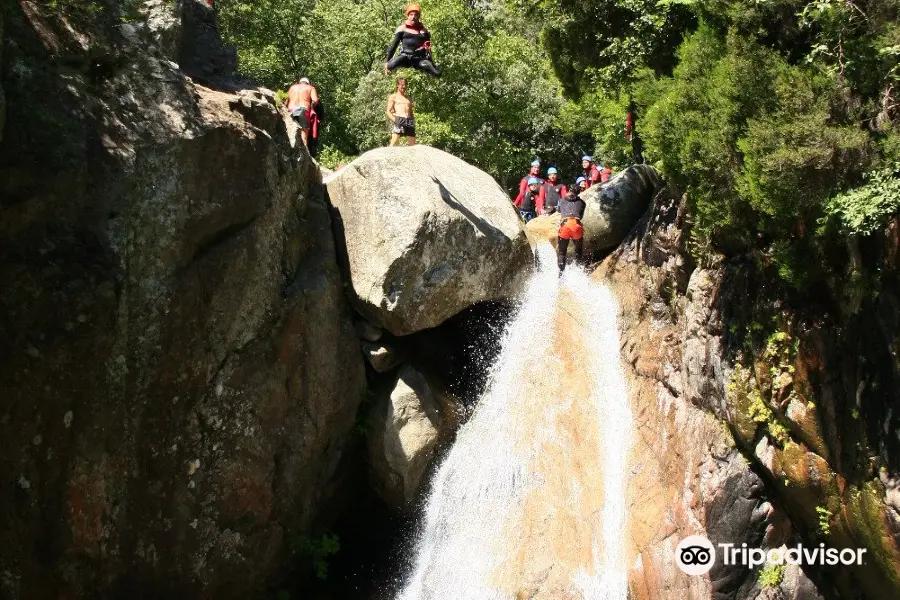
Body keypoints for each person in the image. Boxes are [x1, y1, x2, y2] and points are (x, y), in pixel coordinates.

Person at [384, 3, 442, 77]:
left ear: (419, 16)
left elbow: (428, 50)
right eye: (411, 15)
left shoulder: (424, 31)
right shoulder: (402, 28)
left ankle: (427, 71)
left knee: (437, 73)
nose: (413, 17)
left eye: (415, 15)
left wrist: (431, 65)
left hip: (419, 59)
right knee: (390, 66)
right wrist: (387, 62)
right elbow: (393, 46)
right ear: (408, 16)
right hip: (405, 57)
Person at [556, 185, 586, 272]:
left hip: (565, 225)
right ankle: (578, 271)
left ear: (569, 190)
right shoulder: (583, 203)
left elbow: (559, 210)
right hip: (576, 226)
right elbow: (581, 215)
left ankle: (561, 275)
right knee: (578, 250)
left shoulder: (561, 200)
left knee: (562, 252)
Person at [284, 77, 320, 148]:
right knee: (304, 134)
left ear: (300, 82)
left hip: (291, 110)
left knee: (289, 132)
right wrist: (312, 108)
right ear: (308, 83)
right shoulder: (311, 88)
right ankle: (305, 154)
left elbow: (286, 102)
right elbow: (315, 100)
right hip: (303, 109)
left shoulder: (292, 87)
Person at [387, 78, 415, 146]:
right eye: (402, 85)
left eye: (405, 85)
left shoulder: (408, 98)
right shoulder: (393, 97)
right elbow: (388, 111)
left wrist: (413, 121)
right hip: (399, 119)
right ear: (397, 85)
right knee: (393, 143)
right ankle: (388, 155)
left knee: (412, 145)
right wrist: (395, 120)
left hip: (409, 121)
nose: (404, 86)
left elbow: (411, 112)